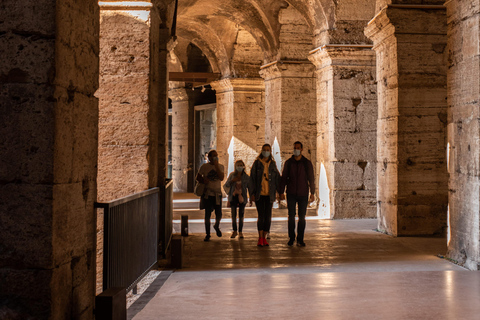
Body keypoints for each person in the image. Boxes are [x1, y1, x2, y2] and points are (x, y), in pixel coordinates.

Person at [279, 141, 315, 247]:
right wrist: (281, 192)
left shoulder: (306, 163)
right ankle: (291, 238)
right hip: (291, 193)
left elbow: (311, 178)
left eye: (298, 148)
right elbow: (284, 177)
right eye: (295, 148)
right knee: (291, 216)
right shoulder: (289, 163)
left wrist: (312, 193)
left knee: (302, 217)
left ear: (302, 149)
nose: (296, 150)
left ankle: (300, 239)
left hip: (303, 193)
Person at [250, 144, 280, 247]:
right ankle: (260, 237)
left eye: (268, 150)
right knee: (261, 216)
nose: (266, 151)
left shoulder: (272, 164)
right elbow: (252, 179)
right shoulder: (257, 164)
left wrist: (279, 192)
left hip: (269, 194)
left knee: (268, 217)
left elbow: (277, 178)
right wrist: (252, 194)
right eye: (264, 150)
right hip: (260, 194)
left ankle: (265, 236)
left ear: (270, 151)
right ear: (262, 151)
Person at [196, 150, 225, 241]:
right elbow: (198, 177)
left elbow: (221, 177)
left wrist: (216, 166)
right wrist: (203, 180)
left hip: (217, 194)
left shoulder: (221, 166)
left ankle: (216, 225)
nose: (215, 157)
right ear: (209, 158)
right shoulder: (204, 167)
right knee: (207, 214)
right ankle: (207, 234)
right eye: (213, 156)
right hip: (207, 194)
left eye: (216, 155)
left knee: (219, 214)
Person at [223, 160, 251, 239]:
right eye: (238, 165)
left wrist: (252, 197)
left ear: (243, 166)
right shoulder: (232, 175)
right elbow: (226, 184)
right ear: (235, 166)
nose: (239, 167)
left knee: (241, 215)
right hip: (233, 197)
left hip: (242, 197)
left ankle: (240, 231)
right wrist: (233, 181)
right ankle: (234, 230)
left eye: (241, 165)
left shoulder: (246, 177)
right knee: (233, 215)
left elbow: (250, 187)